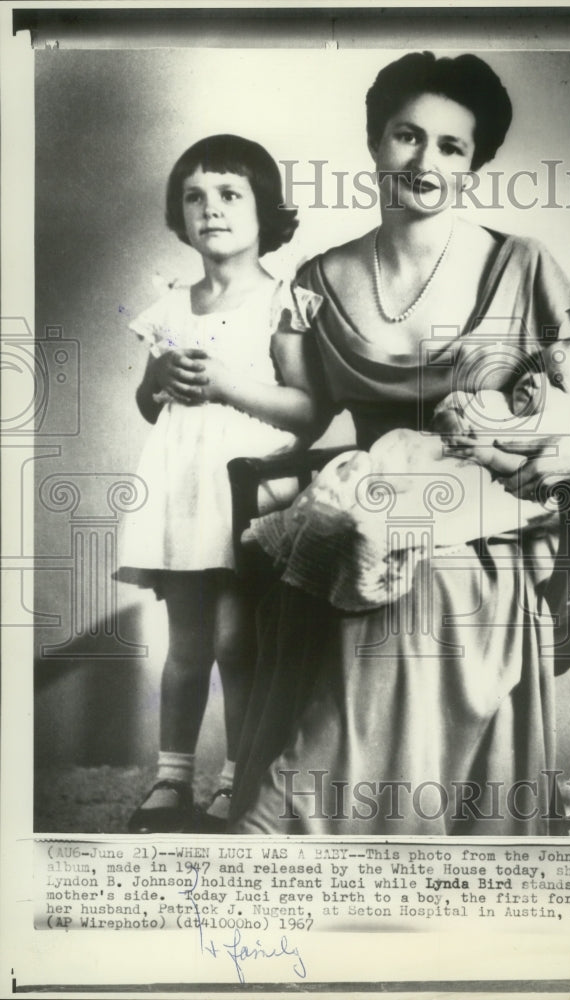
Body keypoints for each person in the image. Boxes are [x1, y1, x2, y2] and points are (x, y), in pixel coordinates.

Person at [218, 51, 570, 835]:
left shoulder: (519, 263)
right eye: (406, 136)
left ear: (474, 164)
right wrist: (223, 377)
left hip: (488, 507)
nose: (424, 161)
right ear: (375, 145)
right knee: (345, 544)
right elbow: (306, 417)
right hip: (364, 489)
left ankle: (289, 805)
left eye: (450, 146)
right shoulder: (319, 279)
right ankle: (320, 806)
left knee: (422, 581)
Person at [116, 134, 316, 833]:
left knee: (239, 642)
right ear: (180, 214)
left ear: (265, 209)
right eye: (194, 197)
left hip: (247, 489)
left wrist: (229, 384)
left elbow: (308, 408)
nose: (211, 210)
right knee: (187, 644)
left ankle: (240, 778)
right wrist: (163, 384)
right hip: (183, 488)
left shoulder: (283, 299)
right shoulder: (171, 305)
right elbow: (148, 401)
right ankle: (172, 780)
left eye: (230, 194)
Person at [244, 336, 570, 612]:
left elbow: (525, 478)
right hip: (421, 459)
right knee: (358, 476)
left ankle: (369, 550)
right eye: (541, 367)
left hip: (472, 486)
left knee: (410, 513)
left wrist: (492, 456)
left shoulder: (561, 436)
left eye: (556, 382)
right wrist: (452, 421)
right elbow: (452, 408)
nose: (536, 379)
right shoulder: (493, 401)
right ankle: (307, 525)